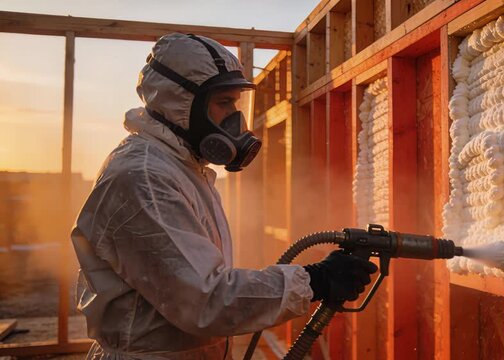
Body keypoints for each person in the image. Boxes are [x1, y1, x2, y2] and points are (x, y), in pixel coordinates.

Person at [71, 33, 377, 359]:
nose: (236, 119)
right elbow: (205, 300)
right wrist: (315, 281)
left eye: (236, 102)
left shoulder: (184, 169)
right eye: (224, 103)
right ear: (181, 104)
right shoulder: (145, 179)